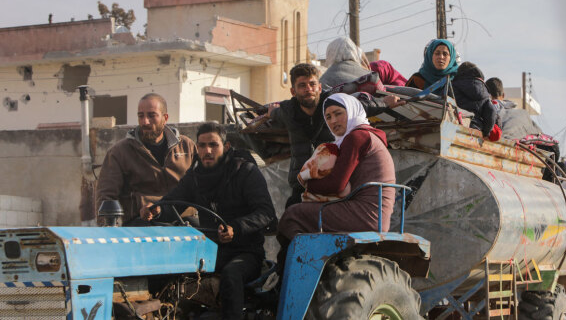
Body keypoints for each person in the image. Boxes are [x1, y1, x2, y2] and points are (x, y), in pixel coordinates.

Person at [141, 122, 277, 320]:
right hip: (209, 252)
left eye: (213, 145)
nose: (207, 151)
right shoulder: (195, 177)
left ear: (226, 146)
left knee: (232, 275)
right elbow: (173, 202)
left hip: (246, 252)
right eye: (202, 146)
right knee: (166, 271)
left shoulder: (246, 171)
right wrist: (157, 210)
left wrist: (236, 228)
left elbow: (266, 212)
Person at [276, 93, 396, 268]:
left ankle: (300, 268)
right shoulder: (367, 135)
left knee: (292, 215)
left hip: (366, 214)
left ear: (352, 111)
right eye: (328, 117)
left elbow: (336, 185)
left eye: (339, 113)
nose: (333, 121)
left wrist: (307, 184)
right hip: (370, 212)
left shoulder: (357, 137)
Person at [267, 63, 404, 208]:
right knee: (291, 214)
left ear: (319, 87)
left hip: (333, 179)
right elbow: (276, 114)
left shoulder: (332, 104)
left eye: (312, 84)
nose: (309, 89)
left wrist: (384, 103)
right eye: (302, 85)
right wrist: (271, 113)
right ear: (293, 91)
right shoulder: (287, 111)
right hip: (302, 182)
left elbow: (360, 106)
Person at [96, 93, 196, 224]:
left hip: (184, 222)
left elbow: (203, 185)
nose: (145, 122)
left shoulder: (187, 146)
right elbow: (105, 198)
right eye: (140, 116)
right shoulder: (119, 152)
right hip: (140, 225)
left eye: (151, 115)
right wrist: (108, 231)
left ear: (165, 118)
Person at [451, 62, 500, 139]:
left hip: (454, 126)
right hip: (475, 129)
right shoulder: (484, 91)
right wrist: (486, 132)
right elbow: (491, 112)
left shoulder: (453, 86)